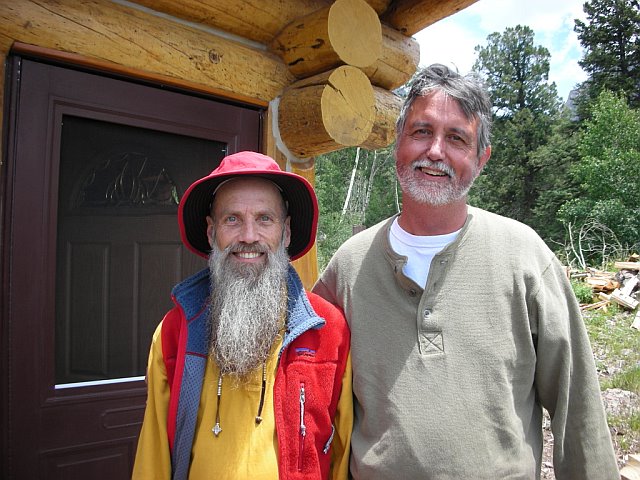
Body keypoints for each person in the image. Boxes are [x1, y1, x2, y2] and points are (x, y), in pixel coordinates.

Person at [312, 64, 619, 479]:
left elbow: (577, 403)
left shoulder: (524, 256)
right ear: (397, 144)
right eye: (421, 132)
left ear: (481, 158)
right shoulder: (348, 267)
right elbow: (312, 395)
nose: (435, 152)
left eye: (457, 138)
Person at [133, 151, 352, 480]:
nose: (249, 236)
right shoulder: (174, 332)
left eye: (265, 219)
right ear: (211, 233)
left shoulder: (328, 331)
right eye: (232, 219)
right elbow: (153, 458)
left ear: (286, 232)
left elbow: (343, 455)